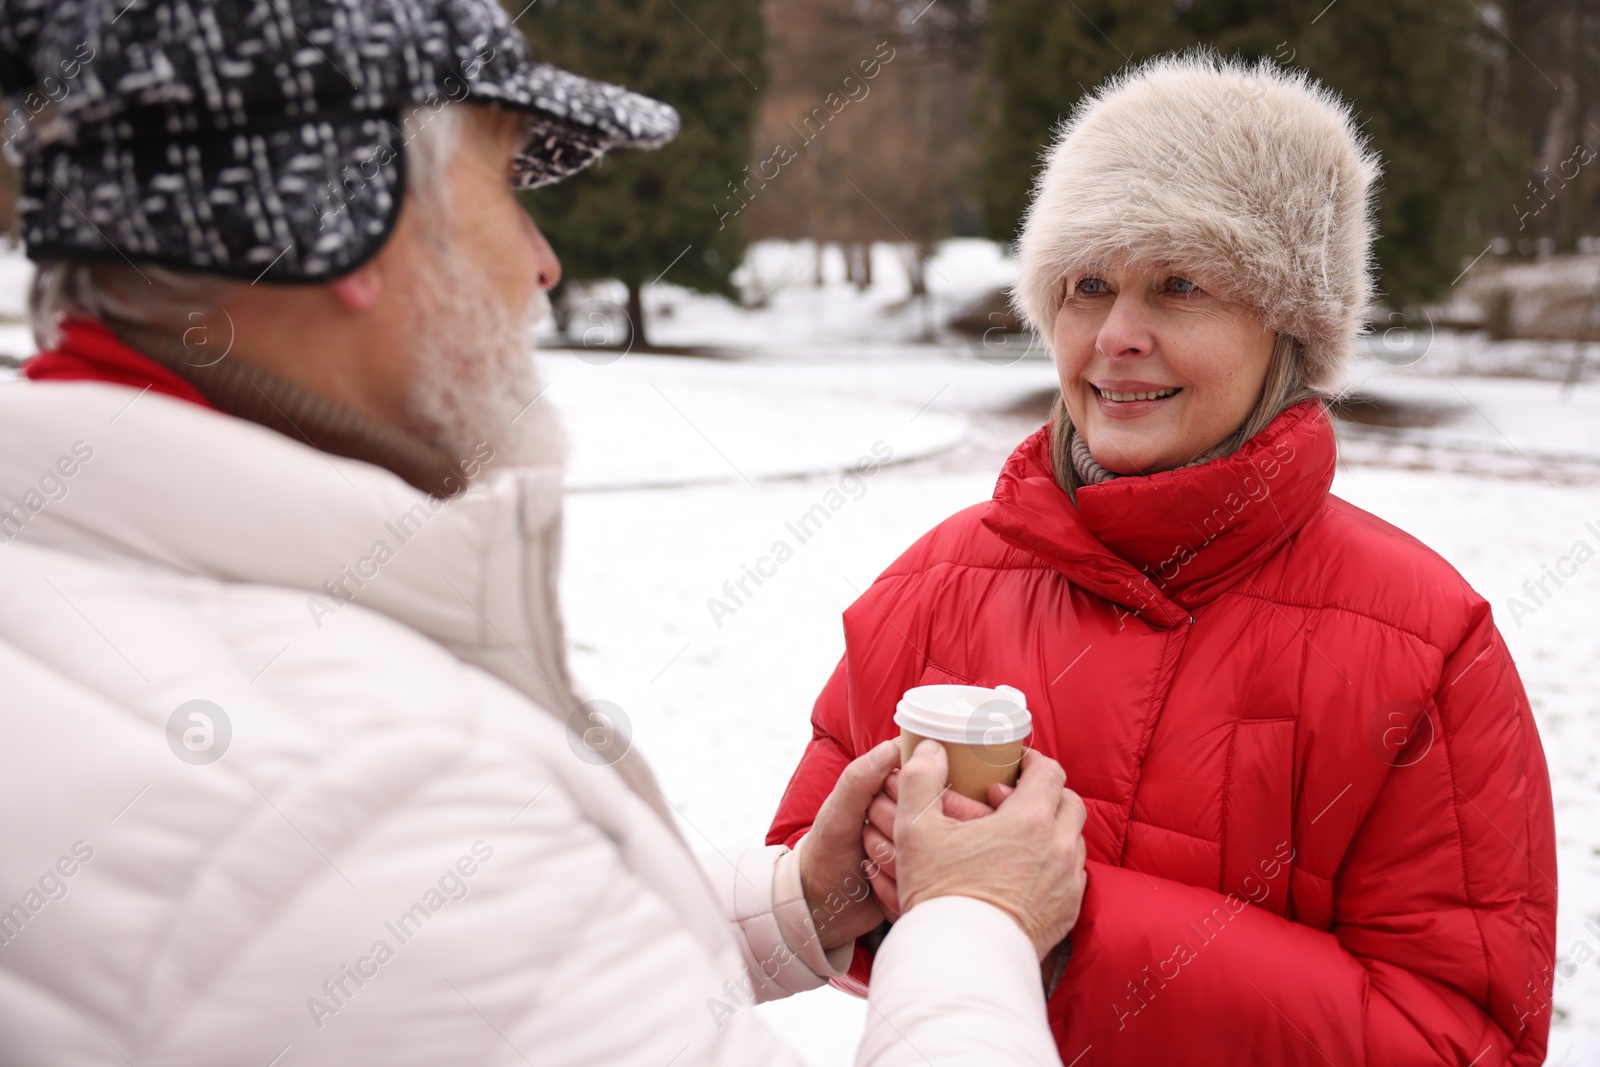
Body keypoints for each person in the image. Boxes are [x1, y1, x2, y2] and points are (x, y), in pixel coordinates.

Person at [0, 2, 1087, 1064]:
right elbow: (426, 910)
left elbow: (464, 967)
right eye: (504, 187)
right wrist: (973, 918)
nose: (541, 262)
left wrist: (798, 896)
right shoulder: (366, 795)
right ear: (333, 220)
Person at [769, 52, 1558, 1065]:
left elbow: (1463, 1037)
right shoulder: (936, 585)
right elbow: (812, 888)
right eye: (1087, 285)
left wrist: (1062, 918)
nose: (1116, 336)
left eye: (1178, 285)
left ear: (1288, 324)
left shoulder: (1422, 640)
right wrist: (861, 892)